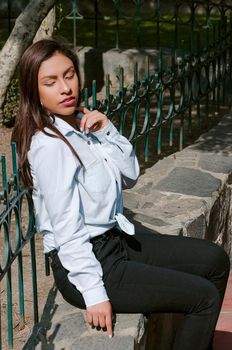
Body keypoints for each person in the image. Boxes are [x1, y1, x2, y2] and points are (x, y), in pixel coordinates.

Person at [12, 38, 230, 350]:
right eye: (50, 82)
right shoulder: (50, 146)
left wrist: (108, 130)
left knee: (215, 259)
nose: (65, 88)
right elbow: (67, 228)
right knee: (204, 298)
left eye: (69, 75)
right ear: (35, 92)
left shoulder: (81, 124)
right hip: (90, 263)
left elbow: (129, 176)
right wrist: (95, 293)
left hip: (115, 241)